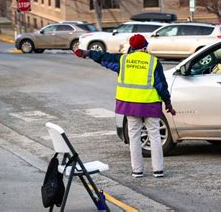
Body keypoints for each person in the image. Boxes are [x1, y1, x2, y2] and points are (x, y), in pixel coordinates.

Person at [74, 34, 176, 179]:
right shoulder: (153, 62)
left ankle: (137, 171)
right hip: (150, 104)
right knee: (154, 136)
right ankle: (158, 170)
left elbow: (105, 59)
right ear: (145, 47)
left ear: (132, 48)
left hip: (130, 105)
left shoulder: (124, 61)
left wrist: (89, 54)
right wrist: (168, 103)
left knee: (134, 137)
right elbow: (161, 85)